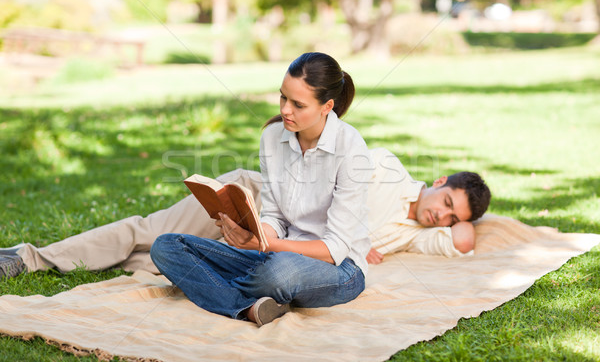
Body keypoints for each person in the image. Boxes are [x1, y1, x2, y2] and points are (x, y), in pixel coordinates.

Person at [0, 148, 490, 279]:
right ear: (439, 181)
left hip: (271, 242)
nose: (441, 218)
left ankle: (99, 258)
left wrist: (465, 220)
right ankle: (29, 258)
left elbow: (462, 243)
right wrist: (358, 244)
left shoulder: (411, 234)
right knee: (148, 231)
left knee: (158, 259)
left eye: (451, 217)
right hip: (259, 197)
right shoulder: (385, 167)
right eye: (446, 203)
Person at [150, 52, 372, 326]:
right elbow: (275, 217)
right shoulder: (272, 137)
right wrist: (253, 233)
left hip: (338, 270)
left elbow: (334, 249)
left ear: (327, 106)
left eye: (298, 104)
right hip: (275, 255)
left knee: (279, 274)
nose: (285, 110)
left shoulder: (350, 148)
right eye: (283, 97)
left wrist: (265, 245)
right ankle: (249, 308)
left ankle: (214, 286)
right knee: (167, 246)